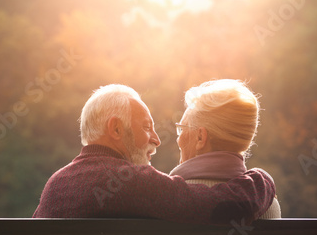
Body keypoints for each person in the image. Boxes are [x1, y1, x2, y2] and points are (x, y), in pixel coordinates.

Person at [33, 84, 276, 225]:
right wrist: (262, 180)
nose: (157, 139)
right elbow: (220, 206)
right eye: (147, 127)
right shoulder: (129, 182)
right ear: (116, 128)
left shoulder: (55, 184)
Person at [170, 79, 281, 219]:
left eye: (182, 129)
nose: (178, 139)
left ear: (200, 137)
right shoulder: (269, 204)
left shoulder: (173, 200)